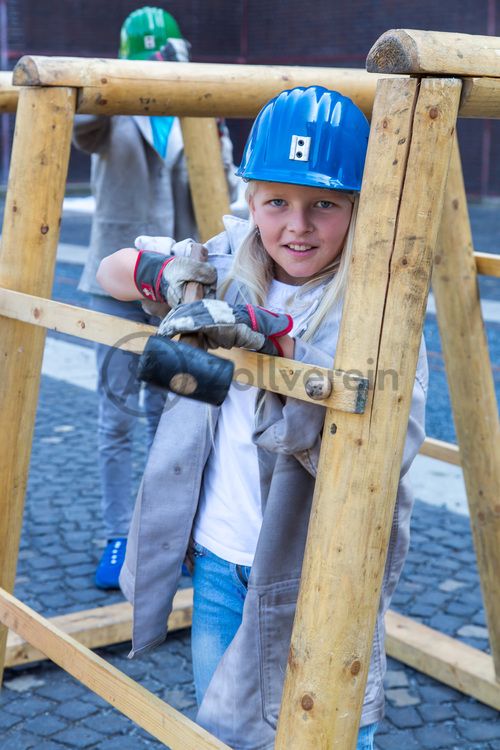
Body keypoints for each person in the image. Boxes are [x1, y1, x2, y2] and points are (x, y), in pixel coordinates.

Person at [97, 86, 428, 750]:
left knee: (334, 729)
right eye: (277, 202)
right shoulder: (227, 266)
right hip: (221, 557)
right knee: (225, 729)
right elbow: (111, 269)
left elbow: (392, 444)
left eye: (324, 205)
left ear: (358, 207)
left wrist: (279, 345)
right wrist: (171, 276)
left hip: (319, 562)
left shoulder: (377, 307)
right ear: (250, 202)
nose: (297, 226)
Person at [73, 6, 240, 589]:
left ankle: (168, 533)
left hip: (181, 289)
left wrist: (202, 101)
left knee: (175, 411)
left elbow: (224, 181)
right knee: (115, 412)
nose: (159, 65)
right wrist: (122, 80)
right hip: (119, 281)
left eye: (165, 55)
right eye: (147, 58)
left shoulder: (201, 113)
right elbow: (83, 126)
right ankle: (121, 535)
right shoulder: (111, 110)